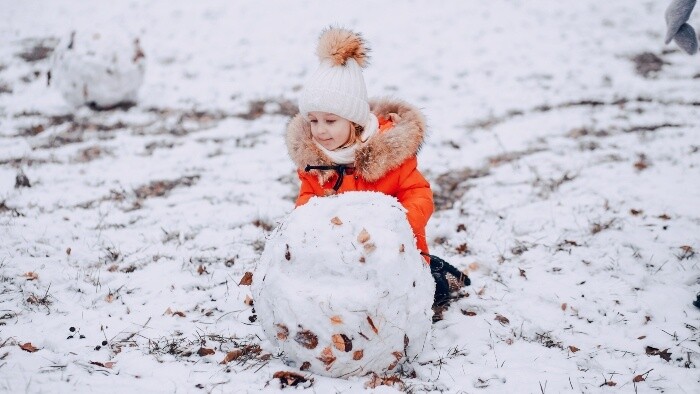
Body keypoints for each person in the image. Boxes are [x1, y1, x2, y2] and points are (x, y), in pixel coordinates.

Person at [285, 27, 469, 310]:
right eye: (314, 121)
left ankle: (432, 271)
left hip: (393, 253)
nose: (320, 131)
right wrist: (310, 232)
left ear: (355, 122)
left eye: (330, 121)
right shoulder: (315, 163)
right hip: (343, 258)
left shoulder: (389, 156)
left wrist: (399, 227)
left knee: (424, 300)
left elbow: (419, 193)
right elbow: (306, 204)